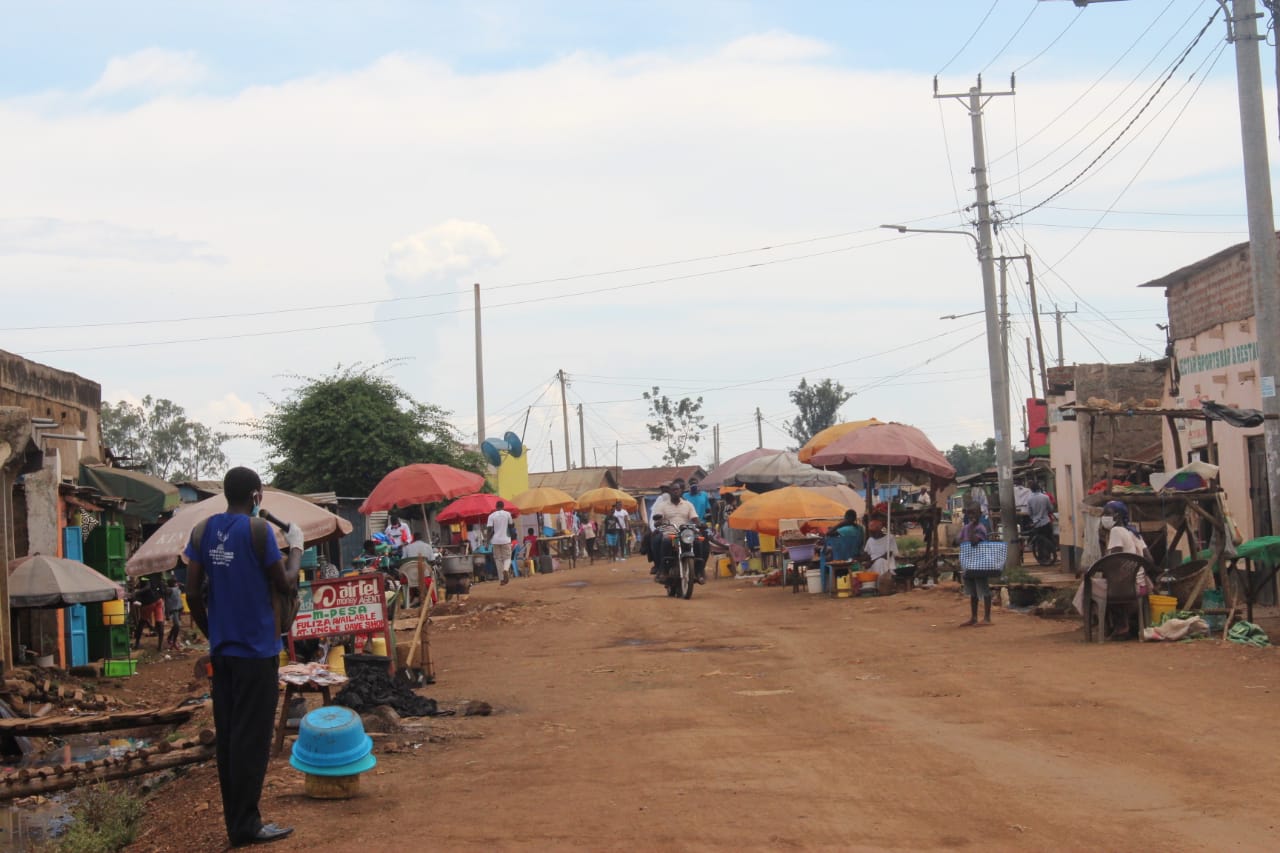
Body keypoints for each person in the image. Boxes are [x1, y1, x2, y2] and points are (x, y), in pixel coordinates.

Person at [185, 466, 303, 847]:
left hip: (224, 654)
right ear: (256, 496)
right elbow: (284, 581)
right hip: (257, 652)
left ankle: (236, 823)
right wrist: (297, 547)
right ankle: (247, 825)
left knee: (230, 739)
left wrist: (212, 634)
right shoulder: (258, 531)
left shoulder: (202, 531)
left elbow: (191, 594)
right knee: (252, 740)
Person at [648, 484, 706, 583]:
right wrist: (659, 522)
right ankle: (664, 570)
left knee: (698, 542)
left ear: (681, 491)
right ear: (670, 491)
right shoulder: (662, 505)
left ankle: (699, 571)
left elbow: (694, 518)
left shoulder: (688, 504)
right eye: (673, 490)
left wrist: (700, 524)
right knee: (665, 542)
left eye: (677, 489)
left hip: (685, 533)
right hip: (670, 533)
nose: (675, 491)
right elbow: (658, 519)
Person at [956, 505, 993, 627]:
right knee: (972, 592)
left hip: (980, 563)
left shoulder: (980, 528)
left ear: (980, 514)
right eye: (970, 513)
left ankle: (987, 618)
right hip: (969, 562)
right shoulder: (966, 528)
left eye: (975, 513)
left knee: (983, 589)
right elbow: (956, 541)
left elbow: (974, 542)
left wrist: (970, 531)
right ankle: (974, 617)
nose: (972, 516)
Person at [862, 513, 898, 595]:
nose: (871, 534)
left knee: (880, 562)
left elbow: (887, 555)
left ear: (880, 529)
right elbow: (866, 554)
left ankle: (882, 587)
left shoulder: (889, 538)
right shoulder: (870, 540)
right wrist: (860, 559)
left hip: (885, 562)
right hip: (872, 563)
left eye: (874, 532)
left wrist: (872, 562)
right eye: (870, 532)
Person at [485, 500, 516, 585]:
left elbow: (489, 530)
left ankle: (502, 579)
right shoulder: (507, 514)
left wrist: (487, 542)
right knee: (507, 557)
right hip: (506, 539)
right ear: (503, 507)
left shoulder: (491, 516)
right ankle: (506, 570)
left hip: (495, 541)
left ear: (496, 507)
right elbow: (511, 526)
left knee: (498, 559)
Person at [132, 576, 164, 650]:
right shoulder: (153, 575)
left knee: (141, 622)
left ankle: (137, 644)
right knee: (159, 622)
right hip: (158, 600)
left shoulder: (144, 576)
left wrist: (136, 592)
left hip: (149, 602)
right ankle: (160, 646)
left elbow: (147, 586)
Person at [164, 578, 184, 650]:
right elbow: (166, 602)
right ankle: (174, 642)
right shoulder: (169, 590)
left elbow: (179, 598)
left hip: (179, 609)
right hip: (174, 610)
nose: (176, 584)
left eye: (176, 583)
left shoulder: (177, 588)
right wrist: (167, 614)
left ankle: (170, 637)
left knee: (176, 625)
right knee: (177, 625)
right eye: (174, 583)